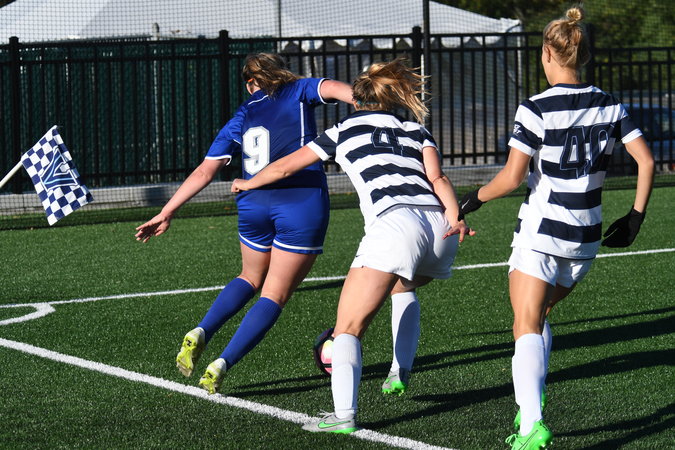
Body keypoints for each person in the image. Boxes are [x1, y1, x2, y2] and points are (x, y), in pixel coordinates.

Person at [231, 58, 474, 433]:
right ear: (390, 98)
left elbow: (285, 166)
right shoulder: (416, 129)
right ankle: (399, 371)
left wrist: (248, 183)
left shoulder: (343, 129)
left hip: (395, 225)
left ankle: (343, 415)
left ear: (356, 100)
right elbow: (438, 178)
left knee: (347, 328)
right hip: (439, 227)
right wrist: (456, 217)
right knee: (402, 286)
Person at [457, 6, 654, 449]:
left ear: (548, 52)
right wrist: (635, 218)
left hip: (542, 231)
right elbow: (646, 160)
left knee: (525, 324)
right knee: (541, 315)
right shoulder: (610, 104)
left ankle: (531, 424)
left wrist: (471, 200)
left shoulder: (535, 107)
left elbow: (511, 178)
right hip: (585, 236)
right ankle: (531, 405)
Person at [134, 53, 353, 394]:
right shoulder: (300, 89)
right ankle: (222, 363)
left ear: (251, 83)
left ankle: (201, 331)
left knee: (249, 277)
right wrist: (372, 109)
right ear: (280, 72)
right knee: (274, 294)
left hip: (253, 203)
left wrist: (167, 211)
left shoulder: (243, 114)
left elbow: (205, 170)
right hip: (299, 201)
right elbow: (345, 92)